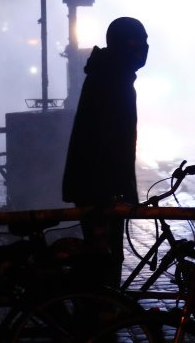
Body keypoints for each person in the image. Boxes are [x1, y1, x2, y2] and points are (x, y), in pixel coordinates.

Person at [63, 16, 148, 288]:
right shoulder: (112, 79)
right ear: (123, 45)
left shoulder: (109, 73)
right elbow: (109, 142)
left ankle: (97, 307)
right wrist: (121, 190)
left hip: (97, 189)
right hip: (99, 191)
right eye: (138, 42)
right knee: (104, 262)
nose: (144, 48)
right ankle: (97, 310)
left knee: (104, 259)